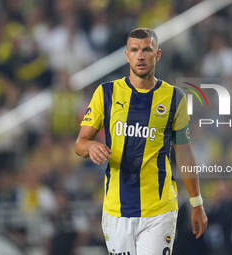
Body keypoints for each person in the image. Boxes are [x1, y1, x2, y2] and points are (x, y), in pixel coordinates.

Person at [74, 27, 207, 255]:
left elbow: (184, 153)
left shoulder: (175, 98)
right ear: (127, 55)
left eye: (147, 50)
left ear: (158, 55)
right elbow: (80, 144)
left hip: (159, 209)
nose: (141, 56)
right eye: (135, 50)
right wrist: (92, 146)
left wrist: (197, 202)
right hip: (117, 210)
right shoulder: (106, 93)